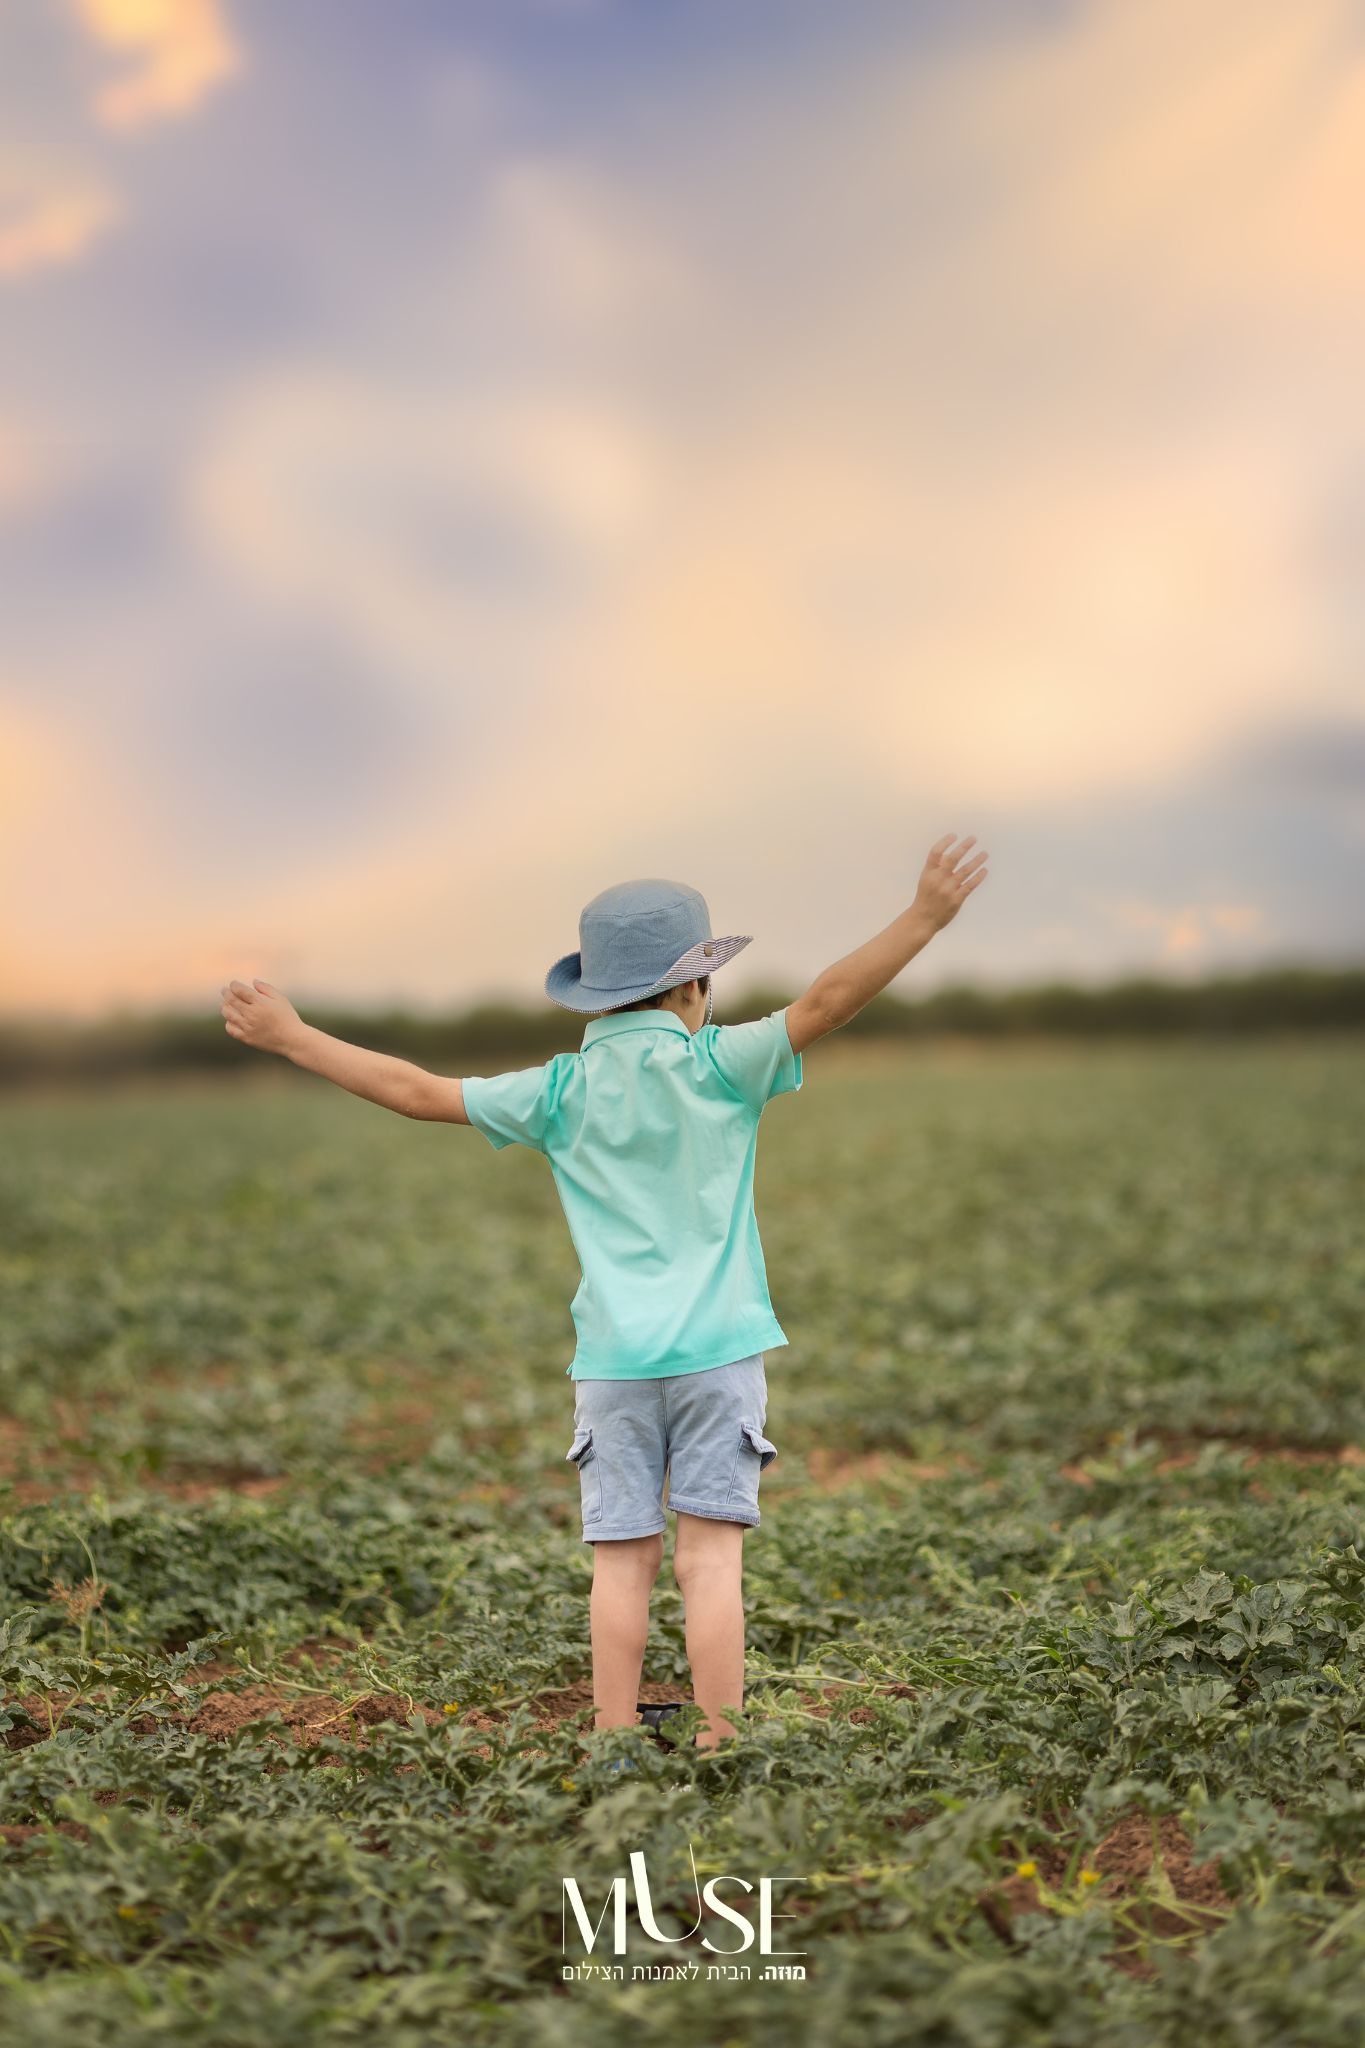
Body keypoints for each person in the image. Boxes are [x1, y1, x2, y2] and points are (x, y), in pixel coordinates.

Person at [218, 833, 989, 1752]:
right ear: (694, 987)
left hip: (614, 1366)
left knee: (620, 1569)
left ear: (595, 994)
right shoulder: (720, 1066)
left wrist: (293, 1036)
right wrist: (924, 917)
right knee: (710, 1564)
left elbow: (416, 1091)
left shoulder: (561, 1090)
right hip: (719, 1357)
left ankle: (616, 1736)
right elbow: (827, 999)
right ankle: (716, 1737)